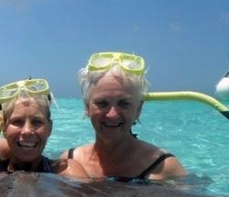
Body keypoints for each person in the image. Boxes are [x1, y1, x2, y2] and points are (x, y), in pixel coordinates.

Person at [60, 52, 186, 182]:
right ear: (87, 107)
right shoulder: (68, 161)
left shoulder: (164, 168)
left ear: (138, 109)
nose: (112, 115)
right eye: (102, 103)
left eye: (124, 104)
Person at [0, 78, 88, 178]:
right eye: (17, 122)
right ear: (4, 129)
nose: (27, 131)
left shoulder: (67, 172)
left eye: (37, 122)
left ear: (49, 128)